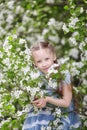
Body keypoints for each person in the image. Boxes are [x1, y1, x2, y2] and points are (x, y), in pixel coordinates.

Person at [22, 41, 81, 130]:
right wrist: (38, 102)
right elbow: (33, 98)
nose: (44, 64)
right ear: (34, 63)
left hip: (61, 115)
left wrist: (47, 99)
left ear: (53, 56)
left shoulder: (63, 74)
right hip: (40, 116)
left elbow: (66, 102)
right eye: (39, 61)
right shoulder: (34, 76)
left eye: (47, 59)